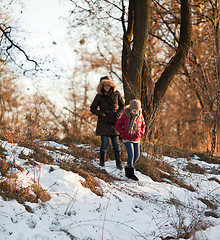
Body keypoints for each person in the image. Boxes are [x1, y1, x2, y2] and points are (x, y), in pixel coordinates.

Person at [90, 76, 125, 169]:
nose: (106, 87)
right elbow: (92, 108)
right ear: (102, 86)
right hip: (103, 123)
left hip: (114, 122)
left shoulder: (117, 94)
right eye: (104, 86)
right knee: (104, 143)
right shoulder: (99, 96)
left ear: (111, 85)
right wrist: (101, 114)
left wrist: (118, 114)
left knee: (116, 145)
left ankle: (119, 163)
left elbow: (122, 106)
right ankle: (102, 163)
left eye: (108, 85)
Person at [116, 99, 145, 180]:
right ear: (130, 109)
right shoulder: (125, 116)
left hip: (136, 138)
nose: (136, 112)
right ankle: (130, 174)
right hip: (127, 138)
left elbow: (143, 125)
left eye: (137, 110)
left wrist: (141, 133)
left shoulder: (140, 116)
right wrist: (123, 133)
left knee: (137, 155)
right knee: (131, 155)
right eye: (134, 110)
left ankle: (128, 167)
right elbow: (118, 125)